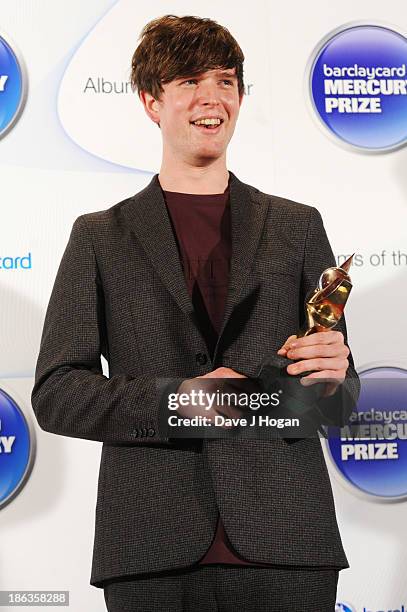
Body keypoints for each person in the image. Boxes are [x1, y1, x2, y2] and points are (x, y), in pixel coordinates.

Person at [31, 14, 359, 612]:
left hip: (288, 543)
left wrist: (337, 377)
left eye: (226, 80)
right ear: (151, 101)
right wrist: (186, 400)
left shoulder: (298, 227)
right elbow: (57, 392)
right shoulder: (100, 236)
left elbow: (338, 400)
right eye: (188, 80)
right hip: (151, 548)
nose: (212, 98)